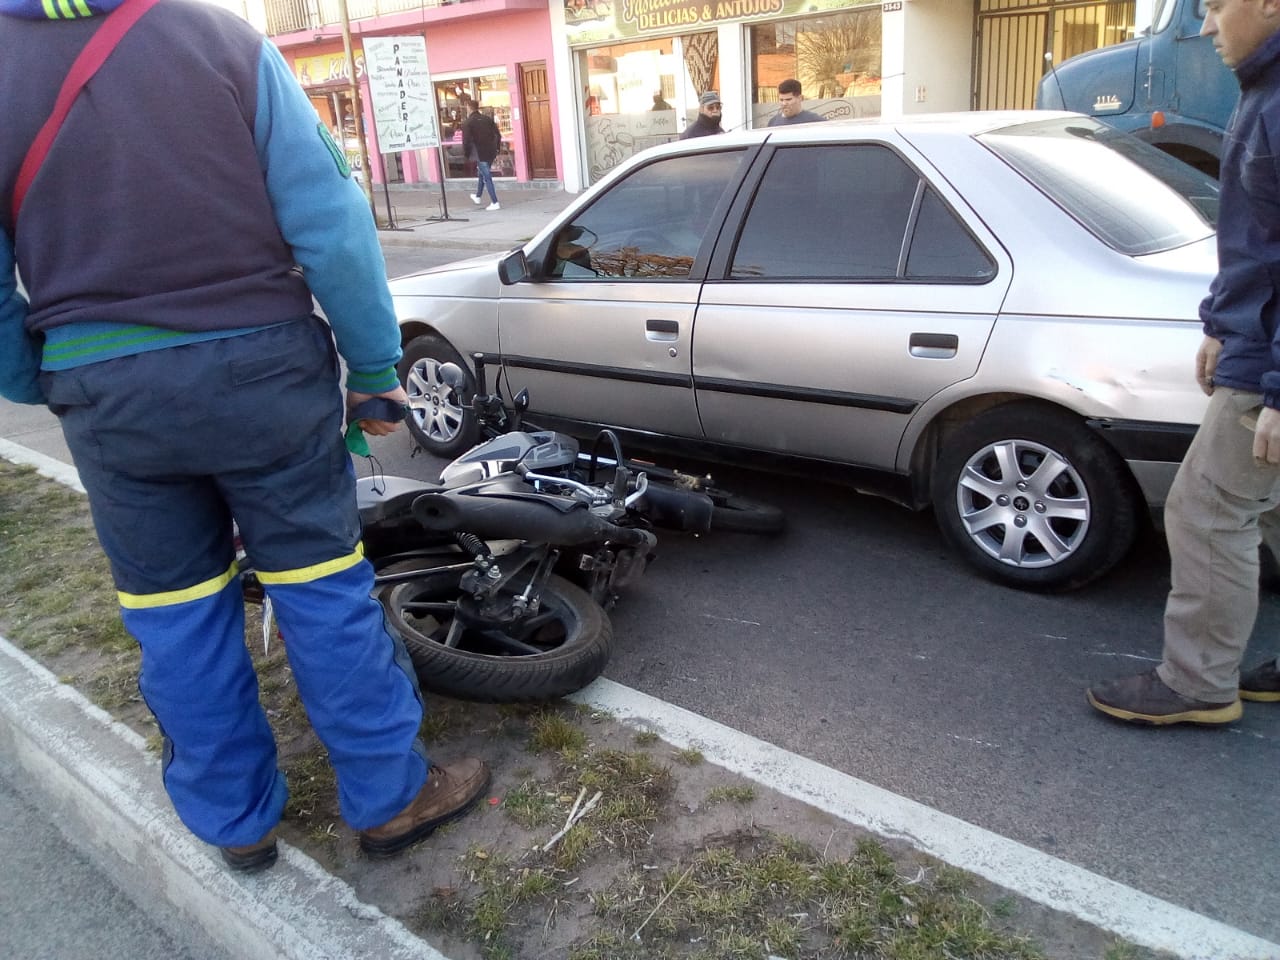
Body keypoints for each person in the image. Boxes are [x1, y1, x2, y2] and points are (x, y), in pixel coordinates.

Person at [0, 0, 489, 870]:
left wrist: (32, 376)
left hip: (105, 389)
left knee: (175, 615)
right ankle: (388, 797)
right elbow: (331, 223)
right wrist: (376, 370)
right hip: (262, 374)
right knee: (320, 591)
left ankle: (238, 823)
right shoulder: (217, 38)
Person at [1087, 0, 1280, 726]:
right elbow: (1259, 241)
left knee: (1207, 510)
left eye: (1216, 6)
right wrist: (1220, 325)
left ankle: (1198, 684)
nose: (1204, 27)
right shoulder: (1265, 92)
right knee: (1268, 505)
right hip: (1253, 341)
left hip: (1267, 364)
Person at [462, 100, 502, 211]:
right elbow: (498, 135)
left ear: (469, 108)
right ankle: (478, 196)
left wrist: (466, 155)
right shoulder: (487, 119)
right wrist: (497, 148)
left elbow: (466, 141)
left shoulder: (467, 123)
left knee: (486, 176)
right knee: (482, 173)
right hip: (490, 151)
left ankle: (495, 202)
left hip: (479, 153)